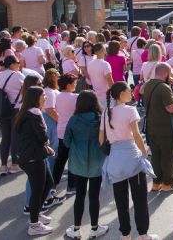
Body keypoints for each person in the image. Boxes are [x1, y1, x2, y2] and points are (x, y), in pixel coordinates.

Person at [100, 82, 157, 240]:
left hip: (114, 159)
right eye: (128, 90)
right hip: (131, 157)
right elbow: (137, 135)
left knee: (120, 200)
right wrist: (144, 153)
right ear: (121, 94)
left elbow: (101, 138)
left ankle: (125, 235)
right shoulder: (130, 110)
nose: (131, 92)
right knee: (139, 199)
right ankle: (143, 234)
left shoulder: (106, 112)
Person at [63, 91, 109, 239]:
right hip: (97, 160)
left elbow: (66, 142)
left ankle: (76, 229)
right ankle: (94, 227)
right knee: (94, 196)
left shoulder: (74, 120)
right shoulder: (100, 119)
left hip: (78, 162)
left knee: (79, 196)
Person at [14, 86, 56, 236]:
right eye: (43, 95)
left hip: (33, 155)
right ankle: (34, 224)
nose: (45, 97)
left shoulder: (25, 113)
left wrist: (46, 148)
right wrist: (47, 145)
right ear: (35, 98)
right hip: (32, 157)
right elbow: (42, 136)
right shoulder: (34, 114)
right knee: (37, 190)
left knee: (49, 183)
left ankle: (36, 213)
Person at [143, 63, 173, 192]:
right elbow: (171, 109)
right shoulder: (164, 88)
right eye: (170, 73)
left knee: (156, 155)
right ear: (166, 73)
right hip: (166, 129)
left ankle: (156, 183)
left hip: (151, 127)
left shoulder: (148, 84)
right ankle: (168, 183)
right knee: (169, 156)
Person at [0, 54, 26, 175]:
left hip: (1, 109)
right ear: (12, 64)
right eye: (18, 63)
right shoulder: (18, 75)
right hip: (16, 108)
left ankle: (3, 166)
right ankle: (14, 164)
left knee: (5, 137)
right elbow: (24, 92)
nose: (19, 65)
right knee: (15, 137)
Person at [52, 74, 78, 193]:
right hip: (73, 131)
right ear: (68, 85)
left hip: (61, 130)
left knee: (61, 159)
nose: (76, 85)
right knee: (73, 158)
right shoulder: (75, 97)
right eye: (74, 83)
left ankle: (53, 184)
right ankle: (71, 186)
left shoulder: (57, 96)